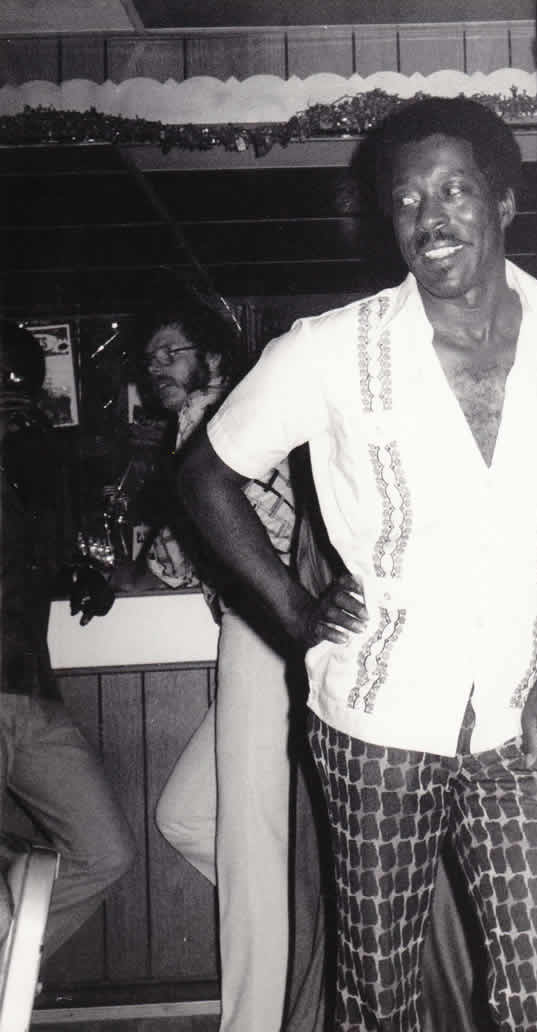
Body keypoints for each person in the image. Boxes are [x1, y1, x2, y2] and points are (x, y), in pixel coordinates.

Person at [177, 97, 537, 1032]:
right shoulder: (328, 350)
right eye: (407, 201)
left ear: (502, 202)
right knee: (374, 999)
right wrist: (291, 616)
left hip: (522, 719)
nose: (430, 219)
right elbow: (204, 476)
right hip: (373, 720)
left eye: (453, 191)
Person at [136, 300, 327, 1032]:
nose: (158, 369)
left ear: (212, 356)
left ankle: (255, 1021)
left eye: (171, 352)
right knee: (188, 816)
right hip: (264, 635)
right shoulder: (216, 427)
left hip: (262, 632)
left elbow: (227, 543)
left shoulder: (211, 420)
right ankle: (310, 929)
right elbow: (181, 563)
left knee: (250, 845)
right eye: (150, 358)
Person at [0, 320, 136, 960]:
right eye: (2, 378)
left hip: (32, 697)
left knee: (103, 851)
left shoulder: (31, 467)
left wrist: (81, 569)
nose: (14, 392)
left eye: (23, 380)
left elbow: (36, 557)